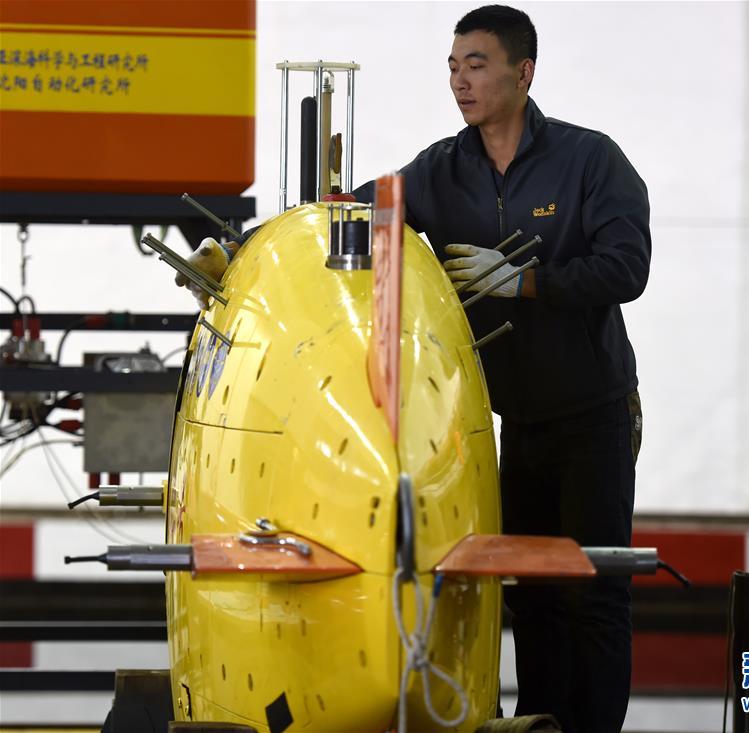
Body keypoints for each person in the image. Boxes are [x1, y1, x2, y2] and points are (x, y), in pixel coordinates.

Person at [178, 6, 649, 731]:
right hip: (516, 419)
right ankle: (544, 721)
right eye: (453, 67)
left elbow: (627, 267)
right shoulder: (444, 169)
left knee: (593, 588)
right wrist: (239, 252)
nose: (460, 81)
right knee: (531, 591)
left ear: (523, 73)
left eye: (477, 65)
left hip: (593, 414)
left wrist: (523, 281)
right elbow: (346, 215)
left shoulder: (590, 161)